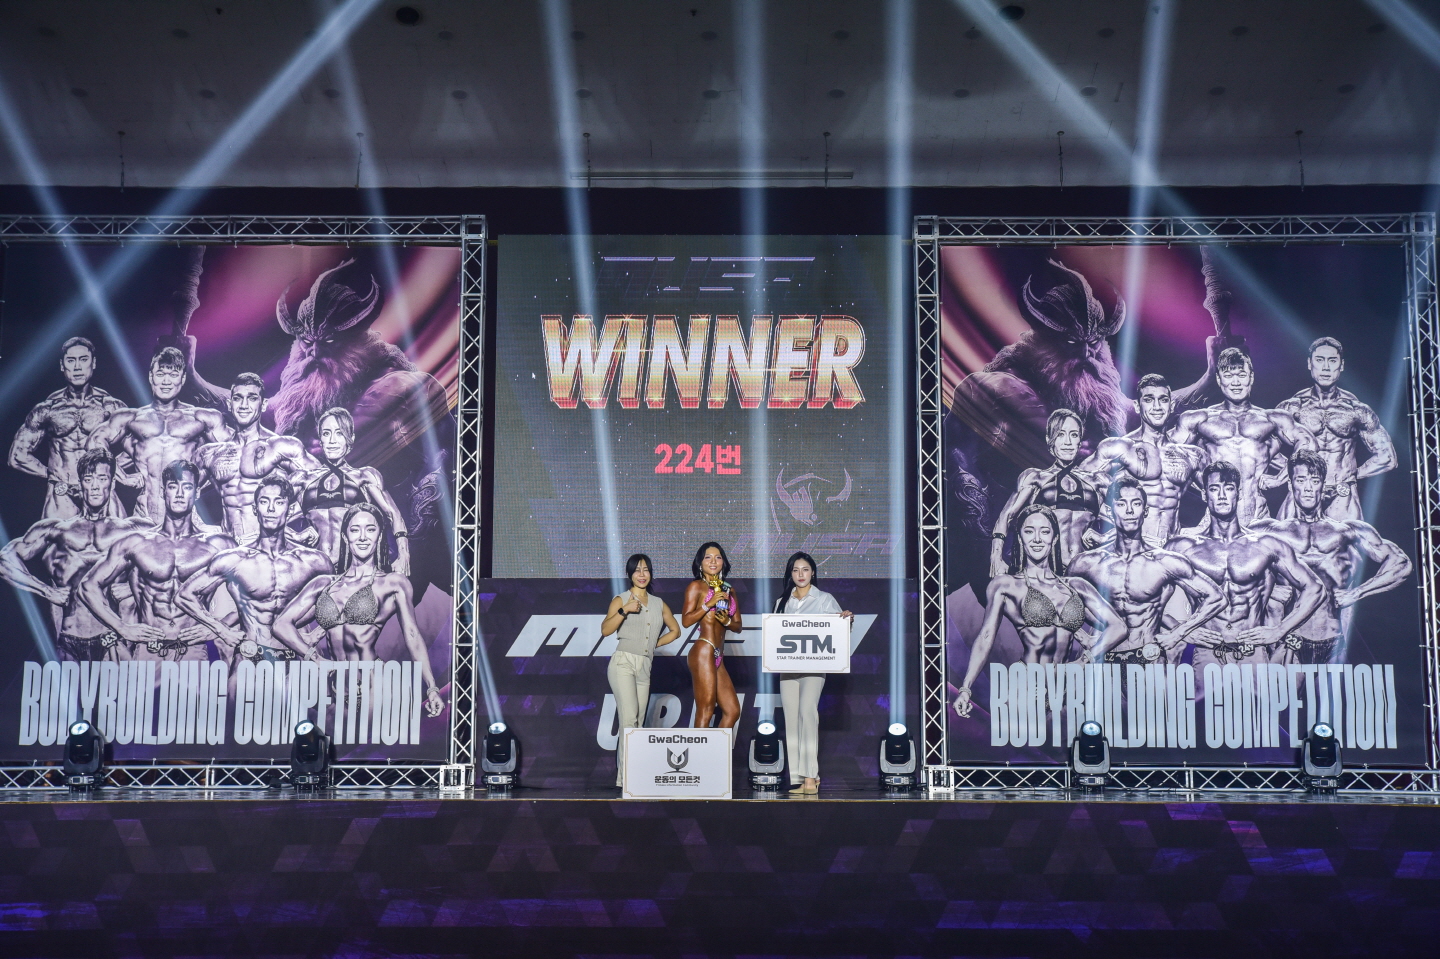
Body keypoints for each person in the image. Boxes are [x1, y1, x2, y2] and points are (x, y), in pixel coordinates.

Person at [270, 503, 445, 717]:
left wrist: (432, 688)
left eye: (370, 529)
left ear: (379, 536)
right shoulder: (323, 584)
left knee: (372, 739)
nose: (362, 537)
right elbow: (280, 625)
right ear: (345, 537)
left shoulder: (393, 583)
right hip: (335, 690)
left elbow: (412, 635)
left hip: (375, 687)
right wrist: (315, 658)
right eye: (355, 530)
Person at [955, 505, 1125, 717]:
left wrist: (1085, 660)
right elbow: (986, 636)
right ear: (1020, 538)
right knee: (1023, 739)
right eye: (1029, 531)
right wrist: (966, 688)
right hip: (1027, 687)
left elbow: (1118, 627)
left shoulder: (1077, 586)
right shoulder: (1005, 585)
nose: (1037, 539)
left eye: (1044, 532)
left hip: (1066, 690)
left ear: (1054, 538)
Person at [1250, 450, 1412, 664]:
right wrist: (1267, 589)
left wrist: (1357, 592)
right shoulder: (1270, 531)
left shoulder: (1348, 532)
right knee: (1279, 686)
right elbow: (1224, 563)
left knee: (1337, 686)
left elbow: (1401, 563)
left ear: (1323, 485)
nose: (1308, 488)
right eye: (1301, 480)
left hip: (1334, 640)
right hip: (1290, 640)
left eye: (1315, 481)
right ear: (1290, 484)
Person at [1165, 461, 1326, 667]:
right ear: (1204, 495)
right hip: (1206, 652)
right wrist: (1181, 630)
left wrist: (1279, 630)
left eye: (1229, 488)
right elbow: (1147, 598)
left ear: (1239, 493)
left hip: (1251, 652)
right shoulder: (1182, 547)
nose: (1222, 496)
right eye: (1214, 489)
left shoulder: (1266, 545)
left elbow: (1315, 589)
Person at [77, 459, 233, 662]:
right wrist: (122, 627)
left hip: (194, 649)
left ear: (196, 493)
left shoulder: (217, 545)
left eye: (187, 487)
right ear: (162, 491)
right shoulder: (137, 543)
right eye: (173, 486)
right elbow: (87, 587)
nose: (179, 494)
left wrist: (219, 628)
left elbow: (254, 595)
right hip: (150, 649)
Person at [0, 450, 151, 660]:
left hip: (110, 638)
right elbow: (5, 560)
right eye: (88, 479)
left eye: (102, 478)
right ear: (81, 484)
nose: (95, 486)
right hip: (70, 638)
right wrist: (46, 591)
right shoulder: (57, 530)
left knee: (123, 679)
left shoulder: (132, 529)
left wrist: (133, 588)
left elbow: (177, 559)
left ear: (112, 483)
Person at [175, 473, 333, 666]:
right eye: (264, 502)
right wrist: (220, 629)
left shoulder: (314, 561)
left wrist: (317, 634)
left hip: (294, 660)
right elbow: (184, 595)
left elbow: (341, 600)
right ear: (255, 508)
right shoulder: (235, 559)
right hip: (249, 660)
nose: (271, 509)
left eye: (279, 502)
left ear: (290, 509)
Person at [1068, 478, 1226, 666]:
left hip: (1148, 660)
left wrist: (1179, 633)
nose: (1129, 511)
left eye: (1136, 504)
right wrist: (1082, 636)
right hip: (1104, 661)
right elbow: (1058, 601)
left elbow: (1216, 597)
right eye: (1121, 504)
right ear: (1110, 511)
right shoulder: (1086, 563)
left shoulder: (1164, 561)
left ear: (1145, 510)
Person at [1168, 348, 1317, 524]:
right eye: (1228, 376)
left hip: (1258, 519)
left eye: (1241, 375)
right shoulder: (1199, 420)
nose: (1236, 382)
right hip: (1215, 521)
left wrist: (1279, 478)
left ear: (1251, 377)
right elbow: (1166, 451)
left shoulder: (1271, 419)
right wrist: (1200, 480)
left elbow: (1308, 443)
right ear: (1219, 379)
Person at [85, 347, 231, 520]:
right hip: (144, 517)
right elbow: (94, 442)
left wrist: (201, 481)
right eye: (160, 374)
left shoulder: (201, 418)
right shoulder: (132, 418)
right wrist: (123, 477)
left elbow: (233, 450)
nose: (166, 381)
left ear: (183, 378)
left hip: (185, 519)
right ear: (151, 377)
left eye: (173, 375)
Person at [8, 337, 130, 520]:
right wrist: (53, 476)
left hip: (100, 490)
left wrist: (109, 471)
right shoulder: (48, 409)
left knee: (121, 537)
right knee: (53, 538)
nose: (77, 367)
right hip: (62, 493)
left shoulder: (110, 407)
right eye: (71, 360)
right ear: (62, 365)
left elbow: (137, 448)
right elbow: (17, 455)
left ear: (93, 363)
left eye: (83, 359)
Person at [1275, 337, 1396, 520]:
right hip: (1302, 492)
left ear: (1342, 365)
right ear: (1309, 363)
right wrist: (1293, 472)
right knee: (1284, 538)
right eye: (1319, 360)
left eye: (1332, 361)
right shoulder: (1292, 408)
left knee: (1350, 539)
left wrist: (1350, 477)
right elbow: (1263, 449)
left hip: (1341, 494)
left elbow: (1387, 457)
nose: (1326, 367)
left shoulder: (1356, 410)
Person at [1080, 374, 1204, 546]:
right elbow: (1077, 485)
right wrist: (1107, 528)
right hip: (1131, 548)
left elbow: (1221, 492)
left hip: (1171, 548)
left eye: (1163, 400)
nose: (1157, 407)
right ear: (1138, 406)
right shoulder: (1119, 449)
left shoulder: (1188, 455)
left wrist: (1199, 530)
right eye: (1149, 400)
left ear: (1171, 406)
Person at [194, 373, 317, 545]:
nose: (244, 405)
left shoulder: (281, 447)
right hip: (230, 547)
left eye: (252, 398)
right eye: (238, 398)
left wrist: (285, 522)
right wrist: (202, 527)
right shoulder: (212, 453)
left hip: (269, 546)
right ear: (229, 404)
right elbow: (182, 491)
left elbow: (319, 482)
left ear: (263, 404)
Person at [990, 409, 1107, 576]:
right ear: (1049, 439)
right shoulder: (1035, 478)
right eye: (1060, 435)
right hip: (1046, 573)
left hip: (1085, 572)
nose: (1068, 442)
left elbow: (1132, 521)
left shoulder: (1097, 481)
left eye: (1074, 435)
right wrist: (996, 556)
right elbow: (1006, 516)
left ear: (1080, 441)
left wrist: (1104, 538)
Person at [772, 551, 852, 796]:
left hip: (814, 667)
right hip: (788, 668)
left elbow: (839, 629)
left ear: (813, 572)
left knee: (808, 713)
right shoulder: (782, 602)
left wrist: (846, 620)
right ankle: (798, 778)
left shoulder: (824, 599)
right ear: (790, 574)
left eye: (805, 569)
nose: (801, 574)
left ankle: (811, 777)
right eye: (796, 570)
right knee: (791, 720)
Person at [295, 407, 411, 576]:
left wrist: (404, 554)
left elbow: (393, 514)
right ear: (320, 440)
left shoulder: (365, 476)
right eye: (326, 433)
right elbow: (270, 516)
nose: (332, 440)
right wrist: (295, 536)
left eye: (339, 433)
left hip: (354, 571)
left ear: (350, 438)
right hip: (316, 571)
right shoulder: (303, 479)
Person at [600, 553, 681, 787]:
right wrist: (624, 610)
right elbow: (605, 630)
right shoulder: (621, 599)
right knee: (628, 720)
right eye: (637, 570)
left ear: (651, 574)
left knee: (638, 723)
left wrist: (652, 645)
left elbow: (676, 631)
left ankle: (630, 774)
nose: (642, 574)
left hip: (645, 665)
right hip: (623, 663)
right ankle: (626, 779)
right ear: (630, 574)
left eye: (646, 569)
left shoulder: (658, 603)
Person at [681, 542, 742, 730]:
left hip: (718, 655)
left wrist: (727, 622)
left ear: (723, 562)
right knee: (706, 710)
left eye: (718, 557)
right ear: (700, 563)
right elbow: (686, 621)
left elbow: (738, 626)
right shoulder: (696, 587)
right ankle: (699, 750)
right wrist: (709, 604)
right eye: (708, 557)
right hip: (703, 650)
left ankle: (716, 748)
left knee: (732, 711)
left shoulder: (729, 590)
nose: (713, 561)